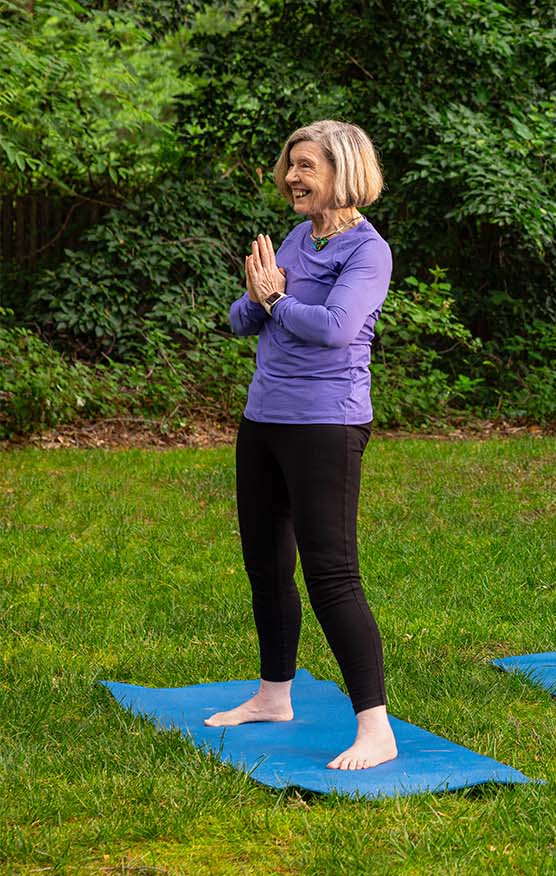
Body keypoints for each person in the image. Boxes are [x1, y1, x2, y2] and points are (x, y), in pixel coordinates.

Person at [208, 120, 397, 771]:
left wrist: (277, 298)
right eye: (291, 163)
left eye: (306, 166)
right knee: (265, 562)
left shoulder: (367, 251)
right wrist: (257, 297)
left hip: (326, 425)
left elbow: (337, 329)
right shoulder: (296, 236)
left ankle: (375, 727)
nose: (292, 176)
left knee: (332, 575)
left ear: (342, 174)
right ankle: (273, 695)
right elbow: (241, 318)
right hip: (265, 418)